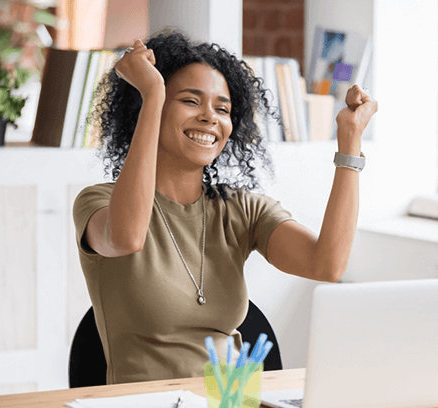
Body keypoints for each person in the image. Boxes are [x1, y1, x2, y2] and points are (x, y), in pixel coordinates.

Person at [73, 31, 378, 385]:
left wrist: (350, 142)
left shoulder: (241, 208)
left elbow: (327, 265)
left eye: (222, 108)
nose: (210, 117)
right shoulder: (98, 202)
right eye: (190, 101)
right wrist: (153, 93)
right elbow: (126, 238)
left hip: (232, 399)